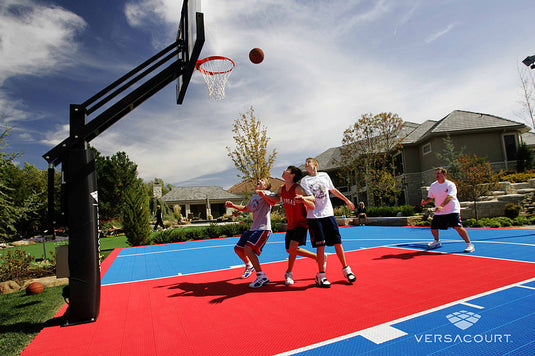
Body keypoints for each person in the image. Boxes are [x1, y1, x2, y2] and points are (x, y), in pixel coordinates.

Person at [298, 157, 357, 288]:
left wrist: (346, 200)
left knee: (337, 242)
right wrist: (302, 199)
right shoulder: (305, 180)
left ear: (315, 165)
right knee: (320, 245)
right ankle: (321, 275)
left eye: (308, 162)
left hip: (328, 214)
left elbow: (333, 190)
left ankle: (346, 269)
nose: (306, 164)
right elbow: (310, 197)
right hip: (314, 217)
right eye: (305, 163)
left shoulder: (324, 176)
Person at [258, 166, 318, 285]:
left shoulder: (298, 189)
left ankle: (288, 273)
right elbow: (274, 200)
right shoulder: (282, 189)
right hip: (290, 224)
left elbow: (312, 203)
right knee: (289, 250)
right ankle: (317, 257)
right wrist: (264, 195)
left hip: (301, 222)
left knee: (292, 247)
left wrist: (303, 199)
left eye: (287, 170)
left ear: (292, 175)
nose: (284, 171)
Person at [225, 178, 276, 288]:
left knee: (248, 249)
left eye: (262, 180)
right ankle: (249, 265)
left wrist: (264, 195)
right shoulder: (254, 197)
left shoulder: (268, 193)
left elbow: (274, 201)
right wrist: (233, 205)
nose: (259, 180)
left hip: (263, 228)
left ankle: (261, 276)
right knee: (238, 248)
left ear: (266, 186)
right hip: (253, 228)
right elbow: (245, 208)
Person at [420, 167, 475, 253]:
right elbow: (430, 197)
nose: (436, 175)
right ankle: (436, 241)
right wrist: (425, 201)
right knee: (433, 227)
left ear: (444, 174)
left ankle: (469, 244)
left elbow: (449, 197)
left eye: (438, 173)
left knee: (458, 227)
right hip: (440, 211)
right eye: (436, 174)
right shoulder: (433, 185)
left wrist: (441, 205)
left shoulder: (450, 184)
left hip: (452, 209)